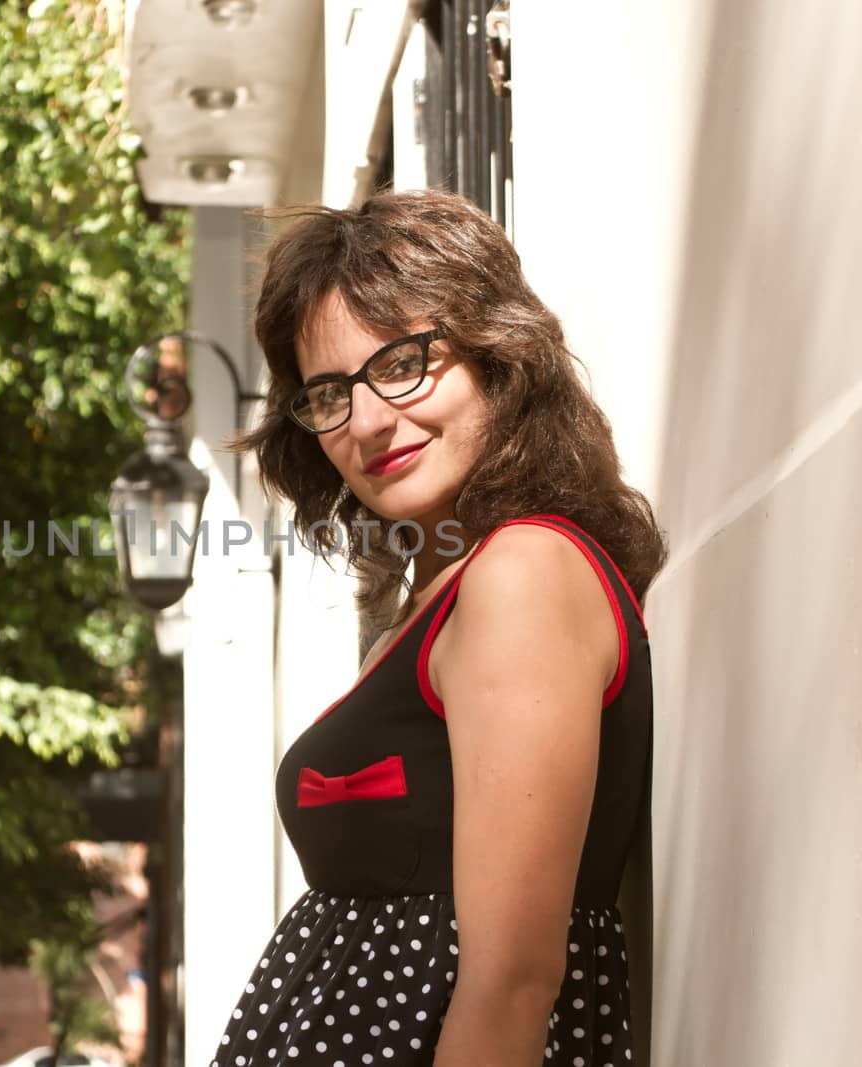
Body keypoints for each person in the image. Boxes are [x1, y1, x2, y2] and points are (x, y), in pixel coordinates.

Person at [212, 188, 665, 1067]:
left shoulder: (523, 576)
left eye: (405, 362)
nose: (370, 420)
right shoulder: (446, 590)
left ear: (500, 353)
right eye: (330, 392)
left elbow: (515, 980)